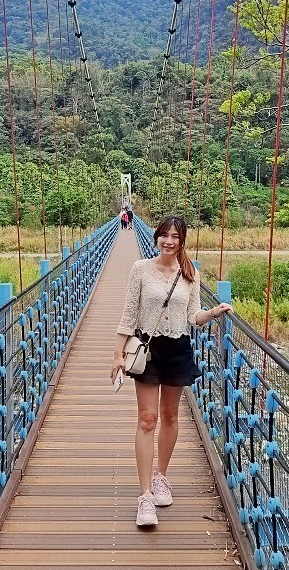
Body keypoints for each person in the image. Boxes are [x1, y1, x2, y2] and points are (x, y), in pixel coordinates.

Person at [111, 215, 232, 527]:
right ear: (156, 238)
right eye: (164, 235)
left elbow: (192, 316)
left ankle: (161, 476)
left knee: (170, 416)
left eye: (175, 237)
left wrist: (214, 312)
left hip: (178, 349)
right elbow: (128, 314)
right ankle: (144, 496)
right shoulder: (140, 269)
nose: (169, 241)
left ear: (182, 241)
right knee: (147, 418)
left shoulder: (190, 274)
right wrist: (117, 355)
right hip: (148, 350)